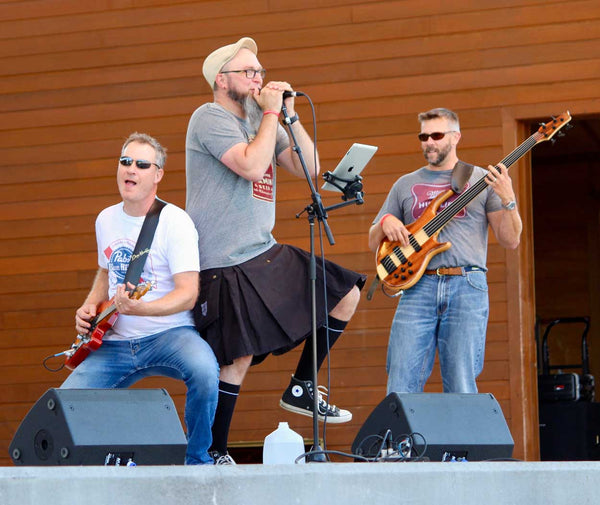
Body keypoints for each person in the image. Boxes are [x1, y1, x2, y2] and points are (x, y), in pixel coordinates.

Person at [185, 37, 366, 464]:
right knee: (236, 355)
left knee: (344, 293)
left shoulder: (259, 118)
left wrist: (289, 115)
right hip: (223, 258)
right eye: (249, 71)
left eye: (260, 71)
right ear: (221, 79)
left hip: (260, 248)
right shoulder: (208, 117)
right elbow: (249, 164)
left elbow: (311, 168)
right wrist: (268, 113)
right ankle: (213, 450)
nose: (258, 78)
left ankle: (303, 385)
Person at [61, 132, 219, 465]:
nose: (130, 169)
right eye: (125, 161)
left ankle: (197, 460)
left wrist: (142, 308)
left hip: (169, 335)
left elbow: (188, 294)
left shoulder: (176, 223)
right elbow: (106, 273)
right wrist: (90, 307)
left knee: (205, 371)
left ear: (158, 174)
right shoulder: (105, 219)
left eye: (142, 164)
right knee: (65, 406)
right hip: (115, 342)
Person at [368, 108, 522, 394]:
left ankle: (463, 440)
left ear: (456, 137)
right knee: (401, 379)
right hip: (417, 285)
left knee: (462, 381)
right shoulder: (405, 184)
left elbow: (510, 240)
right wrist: (387, 222)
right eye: (424, 136)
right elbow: (372, 238)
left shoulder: (480, 179)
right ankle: (400, 439)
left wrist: (509, 199)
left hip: (466, 284)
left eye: (437, 135)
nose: (429, 142)